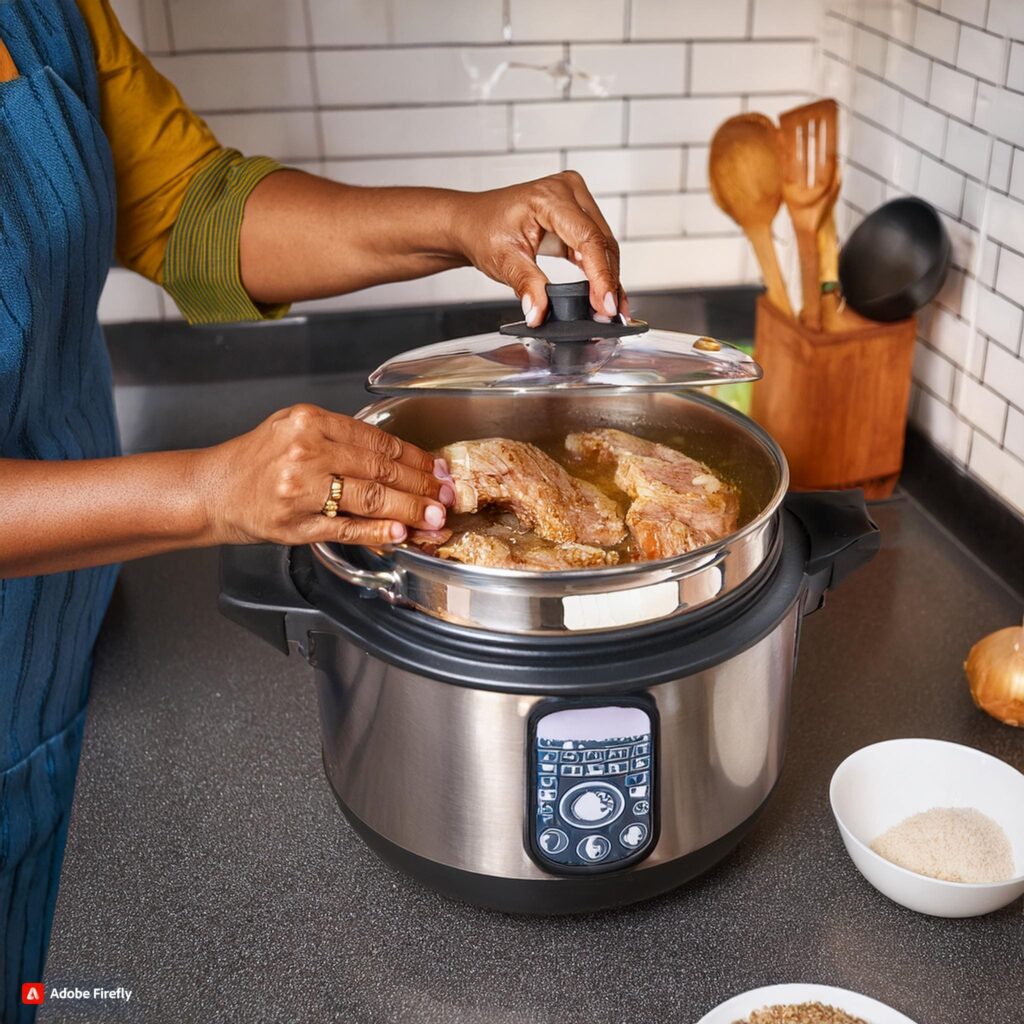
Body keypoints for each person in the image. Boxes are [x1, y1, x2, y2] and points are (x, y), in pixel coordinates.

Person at [0, 2, 625, 1018]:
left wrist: (460, 222)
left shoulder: (43, 14)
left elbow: (192, 211)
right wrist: (208, 492)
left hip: (70, 639)